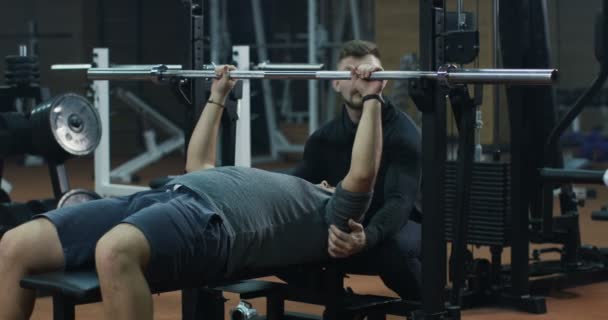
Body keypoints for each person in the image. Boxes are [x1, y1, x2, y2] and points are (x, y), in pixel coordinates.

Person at [0, 64, 385, 320]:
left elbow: (363, 172)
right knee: (15, 244)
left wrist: (371, 98)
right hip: (168, 195)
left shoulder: (330, 212)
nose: (326, 180)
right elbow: (198, 162)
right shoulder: (286, 183)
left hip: (214, 223)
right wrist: (219, 94)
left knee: (114, 250)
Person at [291, 40, 422, 299]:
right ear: (335, 82)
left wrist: (368, 237)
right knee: (288, 245)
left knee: (393, 250)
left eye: (368, 74)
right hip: (345, 229)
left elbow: (400, 203)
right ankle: (341, 302)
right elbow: (296, 190)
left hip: (400, 225)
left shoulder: (404, 134)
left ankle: (427, 307)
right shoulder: (322, 138)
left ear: (381, 80)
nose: (359, 82)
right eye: (350, 74)